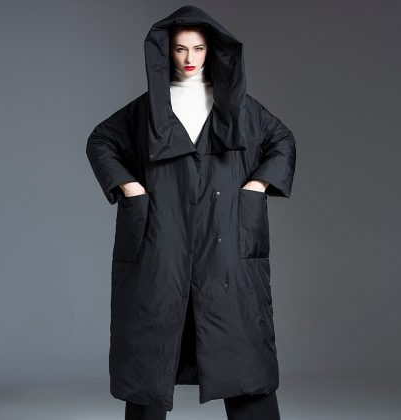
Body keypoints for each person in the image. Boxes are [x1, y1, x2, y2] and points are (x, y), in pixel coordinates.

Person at [86, 5, 296, 420]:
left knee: (240, 341)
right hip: (162, 237)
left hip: (227, 238)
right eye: (180, 48)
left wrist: (256, 185)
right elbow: (101, 141)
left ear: (211, 50)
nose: (189, 57)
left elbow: (282, 141)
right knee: (151, 338)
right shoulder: (147, 109)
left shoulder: (241, 107)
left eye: (198, 48)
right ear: (166, 51)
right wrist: (131, 187)